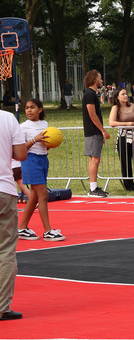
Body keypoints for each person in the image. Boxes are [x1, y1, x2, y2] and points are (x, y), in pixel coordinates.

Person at [16, 99, 64, 242]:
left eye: (32, 107)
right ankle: (48, 231)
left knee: (35, 197)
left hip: (43, 159)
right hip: (30, 160)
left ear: (40, 109)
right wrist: (35, 140)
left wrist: (50, 143)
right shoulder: (23, 127)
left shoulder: (44, 124)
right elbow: (21, 149)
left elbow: (46, 145)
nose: (29, 110)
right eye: (26, 108)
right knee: (43, 195)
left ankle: (22, 228)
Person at [0, 107, 26, 320]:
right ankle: (2, 306)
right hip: (4, 189)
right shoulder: (7, 118)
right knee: (6, 249)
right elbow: (20, 155)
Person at [109, 88, 134, 191]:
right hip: (123, 137)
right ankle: (130, 185)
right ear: (117, 97)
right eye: (123, 94)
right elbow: (112, 123)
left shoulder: (131, 106)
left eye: (126, 94)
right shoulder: (115, 108)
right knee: (125, 161)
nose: (126, 96)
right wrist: (126, 124)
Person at [82, 69, 111, 197]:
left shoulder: (91, 94)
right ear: (94, 80)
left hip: (93, 131)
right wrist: (103, 131)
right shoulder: (90, 94)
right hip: (93, 131)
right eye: (100, 78)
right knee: (95, 159)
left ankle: (93, 186)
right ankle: (93, 189)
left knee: (93, 159)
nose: (101, 81)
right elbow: (92, 114)